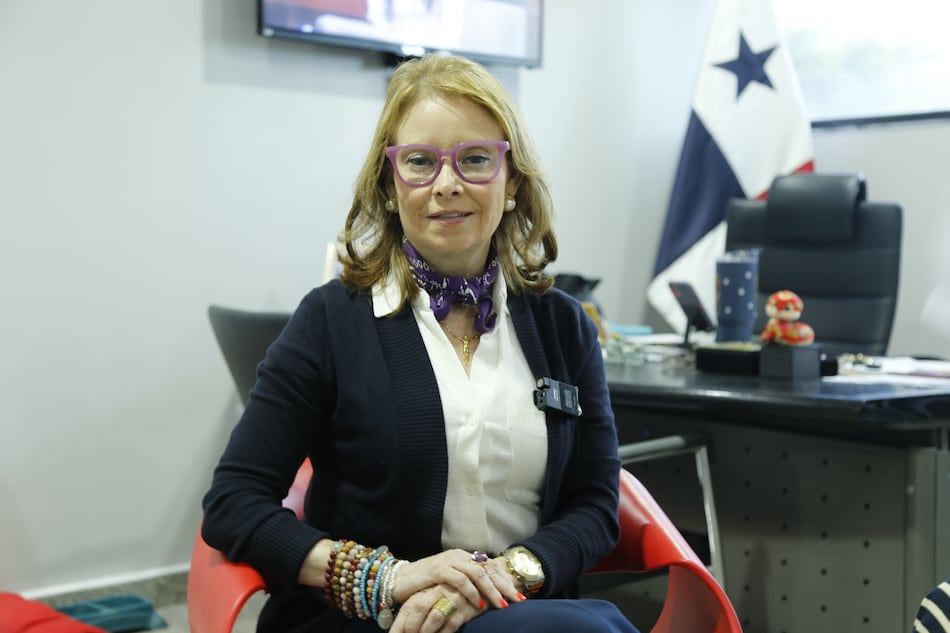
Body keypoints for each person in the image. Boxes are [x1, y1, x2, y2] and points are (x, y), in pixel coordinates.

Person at [201, 53, 638, 633]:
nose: (447, 184)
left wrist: (501, 577)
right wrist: (387, 578)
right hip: (374, 620)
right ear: (389, 185)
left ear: (511, 182)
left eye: (475, 159)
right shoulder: (329, 321)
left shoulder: (564, 326)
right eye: (420, 162)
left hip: (521, 609)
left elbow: (594, 507)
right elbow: (234, 502)